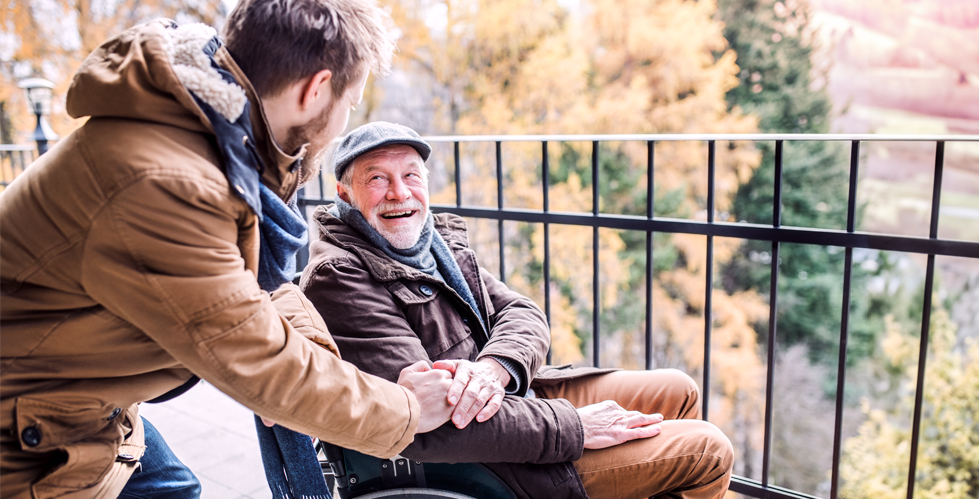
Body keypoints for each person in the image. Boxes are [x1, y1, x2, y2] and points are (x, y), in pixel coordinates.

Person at [0, 2, 456, 498]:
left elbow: (260, 283)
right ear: (316, 90)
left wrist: (327, 362)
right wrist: (407, 409)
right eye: (350, 104)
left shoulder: (216, 136)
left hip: (81, 393)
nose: (343, 123)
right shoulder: (166, 184)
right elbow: (262, 366)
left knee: (175, 488)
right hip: (29, 426)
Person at [299, 121, 736, 499]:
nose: (399, 193)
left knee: (678, 389)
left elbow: (522, 313)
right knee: (708, 450)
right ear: (344, 192)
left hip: (513, 398)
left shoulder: (430, 244)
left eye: (411, 175)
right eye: (377, 178)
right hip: (491, 459)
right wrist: (576, 428)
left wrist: (493, 369)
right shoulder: (340, 275)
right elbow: (426, 427)